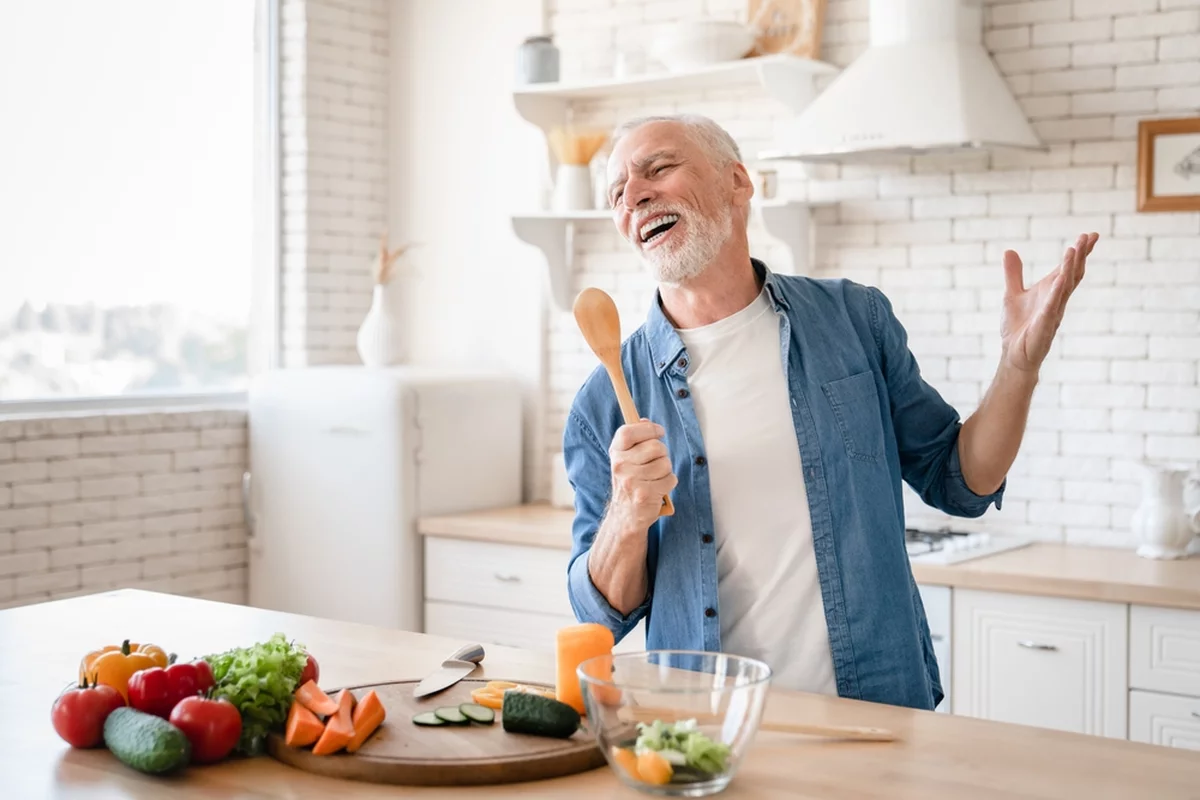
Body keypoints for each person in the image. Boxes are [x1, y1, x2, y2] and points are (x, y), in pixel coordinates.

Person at [561, 113, 1097, 710]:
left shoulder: (854, 320)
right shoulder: (605, 398)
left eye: (658, 169)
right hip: (709, 726)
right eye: (616, 194)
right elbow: (599, 611)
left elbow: (961, 480)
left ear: (737, 181)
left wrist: (1017, 365)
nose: (634, 195)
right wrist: (628, 516)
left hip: (877, 708)